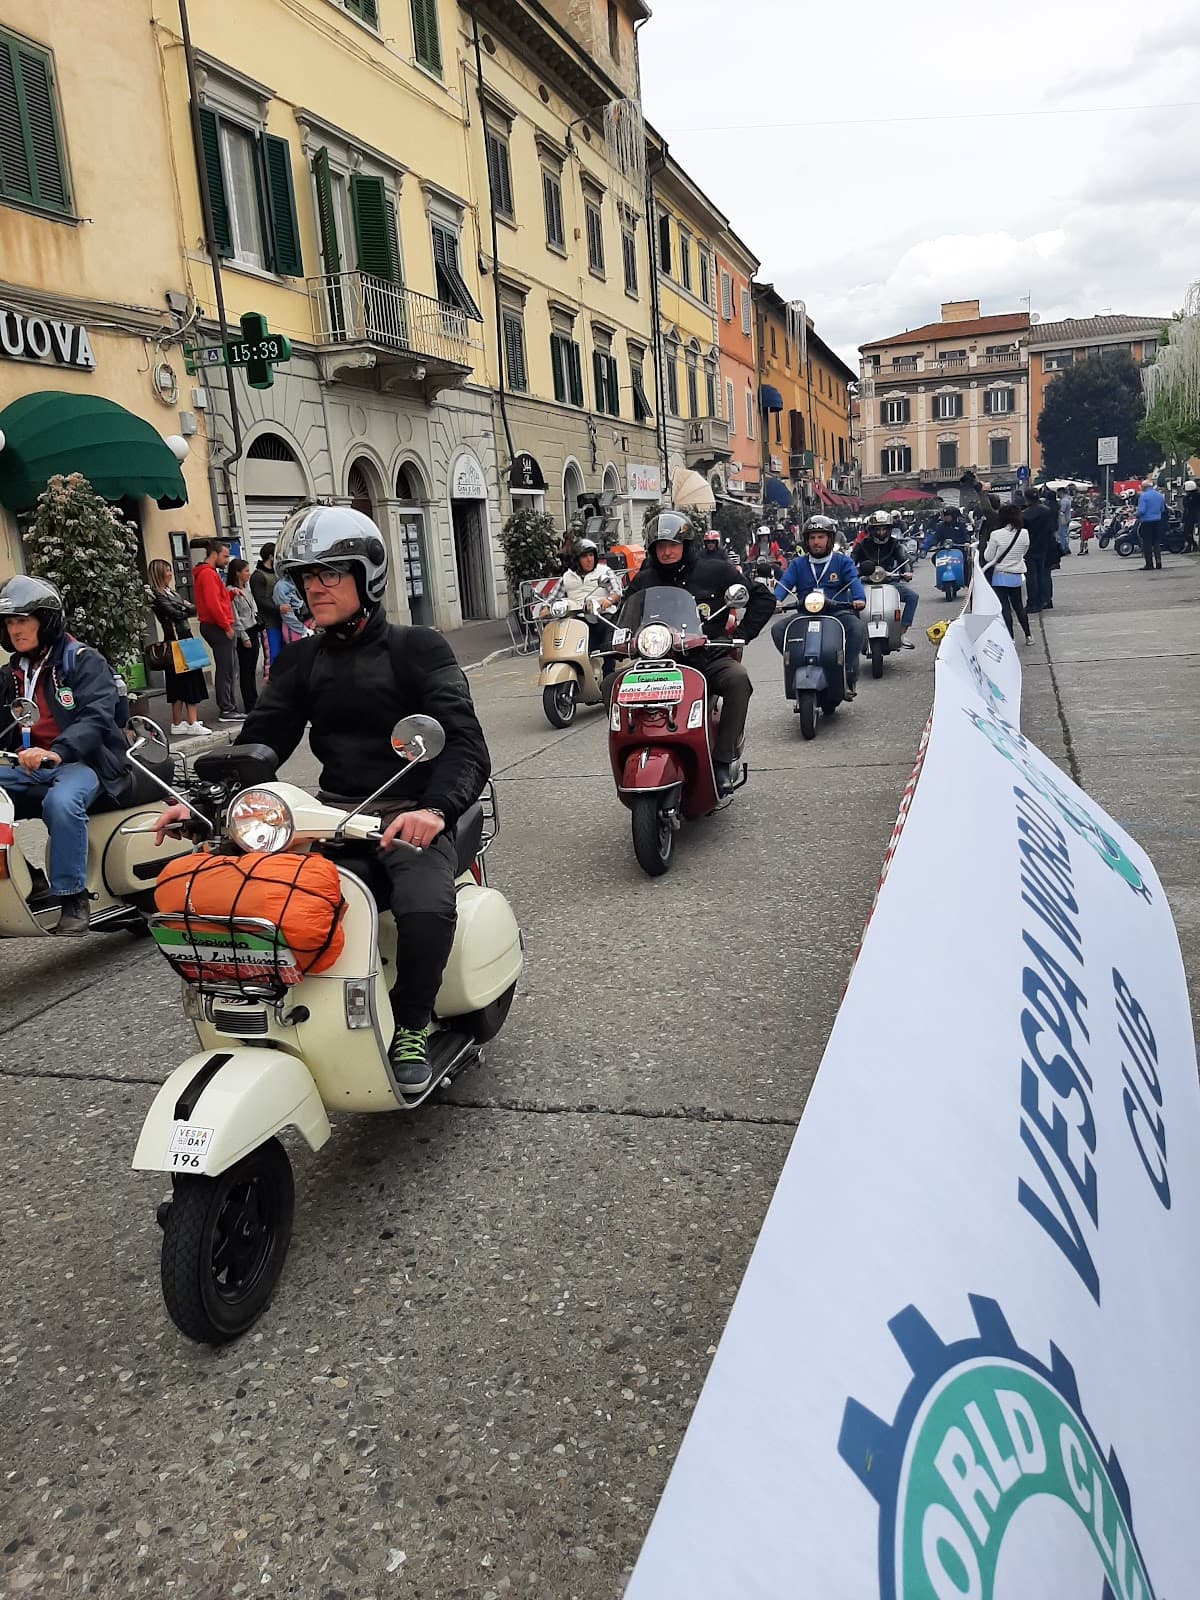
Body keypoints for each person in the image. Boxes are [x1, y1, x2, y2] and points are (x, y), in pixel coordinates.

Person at [154, 506, 490, 1092]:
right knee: (244, 889)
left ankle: (412, 1024)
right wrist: (207, 803)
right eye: (307, 576)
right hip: (334, 813)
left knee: (424, 900)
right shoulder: (301, 659)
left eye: (331, 574)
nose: (315, 587)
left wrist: (433, 810)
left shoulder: (419, 650)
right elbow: (262, 740)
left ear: (368, 577)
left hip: (407, 811)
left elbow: (464, 743)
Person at [0, 576, 131, 934]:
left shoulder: (82, 661)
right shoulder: (9, 674)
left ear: (46, 620)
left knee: (62, 803)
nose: (16, 629)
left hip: (81, 762)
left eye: (23, 620)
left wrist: (58, 750)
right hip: (26, 768)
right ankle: (30, 880)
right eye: (10, 622)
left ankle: (73, 896)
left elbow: (98, 718)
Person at [615, 510, 774, 792]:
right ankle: (630, 752)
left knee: (737, 680)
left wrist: (740, 635)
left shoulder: (715, 570)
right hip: (656, 663)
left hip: (705, 658)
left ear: (686, 546)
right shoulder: (644, 580)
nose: (666, 552)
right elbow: (624, 615)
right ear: (652, 550)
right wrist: (617, 640)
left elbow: (762, 598)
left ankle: (723, 759)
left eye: (673, 545)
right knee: (610, 686)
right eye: (660, 546)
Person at [770, 515, 867, 696]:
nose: (816, 542)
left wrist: (859, 599)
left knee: (857, 627)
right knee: (777, 629)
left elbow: (854, 582)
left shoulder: (842, 561)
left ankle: (848, 671)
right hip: (805, 613)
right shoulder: (798, 564)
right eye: (812, 538)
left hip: (836, 612)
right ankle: (796, 664)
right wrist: (776, 600)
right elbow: (785, 583)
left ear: (830, 539)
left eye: (821, 537)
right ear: (806, 541)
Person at [146, 558, 209, 738]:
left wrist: (184, 608)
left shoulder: (170, 593)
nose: (170, 574)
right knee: (188, 681)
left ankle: (178, 722)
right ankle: (192, 722)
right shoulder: (159, 596)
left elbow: (190, 608)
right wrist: (184, 607)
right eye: (167, 570)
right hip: (177, 640)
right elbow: (178, 613)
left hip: (183, 638)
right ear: (159, 574)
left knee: (179, 683)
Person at [542, 539, 622, 659]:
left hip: (601, 614)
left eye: (591, 555)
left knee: (607, 637)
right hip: (577, 618)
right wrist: (546, 608)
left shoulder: (604, 571)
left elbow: (617, 591)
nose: (589, 559)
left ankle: (608, 670)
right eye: (584, 556)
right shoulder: (567, 576)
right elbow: (553, 597)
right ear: (576, 559)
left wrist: (608, 600)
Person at [853, 513, 918, 646]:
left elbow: (903, 559)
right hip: (865, 581)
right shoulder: (862, 544)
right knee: (848, 600)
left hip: (889, 580)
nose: (881, 532)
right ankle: (853, 634)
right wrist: (852, 573)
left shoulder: (894, 543)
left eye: (884, 529)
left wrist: (907, 571)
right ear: (871, 530)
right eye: (877, 529)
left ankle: (901, 632)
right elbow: (851, 561)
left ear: (889, 529)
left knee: (912, 597)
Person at [193, 539, 240, 723]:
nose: (227, 560)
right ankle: (227, 709)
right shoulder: (208, 574)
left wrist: (230, 594)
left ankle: (230, 707)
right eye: (225, 556)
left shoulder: (208, 573)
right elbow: (213, 605)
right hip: (217, 626)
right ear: (214, 554)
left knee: (229, 667)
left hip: (215, 625)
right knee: (226, 669)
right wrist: (226, 626)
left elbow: (216, 600)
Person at [983, 505, 1031, 643]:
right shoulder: (1024, 533)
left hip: (1000, 576)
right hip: (1017, 574)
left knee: (1005, 608)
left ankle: (1011, 638)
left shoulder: (996, 535)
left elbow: (988, 557)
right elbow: (1024, 552)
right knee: (1019, 606)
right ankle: (1028, 635)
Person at [226, 558, 261, 715]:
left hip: (254, 628)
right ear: (237, 573)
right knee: (245, 671)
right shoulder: (231, 591)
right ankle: (249, 704)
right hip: (244, 632)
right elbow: (235, 617)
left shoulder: (247, 589)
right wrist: (244, 636)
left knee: (252, 669)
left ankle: (255, 699)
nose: (249, 574)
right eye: (246, 571)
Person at [1022, 491, 1057, 613]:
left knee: (1031, 576)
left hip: (1030, 547)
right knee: (1043, 574)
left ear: (1026, 499)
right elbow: (1053, 527)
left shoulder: (1025, 515)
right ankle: (1045, 599)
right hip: (1045, 546)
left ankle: (1033, 602)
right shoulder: (1047, 511)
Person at [250, 542, 284, 665]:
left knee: (285, 654)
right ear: (270, 556)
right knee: (273, 655)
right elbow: (260, 600)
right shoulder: (258, 576)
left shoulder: (277, 573)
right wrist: (278, 608)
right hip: (269, 623)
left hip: (283, 620)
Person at [1135, 479, 1167, 570]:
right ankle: (1158, 562)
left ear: (1144, 487)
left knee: (1147, 543)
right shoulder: (1159, 495)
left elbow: (1141, 510)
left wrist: (1136, 515)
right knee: (1156, 542)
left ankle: (1149, 564)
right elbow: (1162, 509)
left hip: (1146, 522)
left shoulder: (1143, 496)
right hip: (1157, 521)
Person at [273, 568, 311, 644]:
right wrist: (303, 630)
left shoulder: (303, 580)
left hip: (308, 622)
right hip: (294, 627)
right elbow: (287, 614)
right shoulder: (282, 587)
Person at [1181, 479, 1199, 552]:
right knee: (1186, 532)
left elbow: (1188, 504)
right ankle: (1191, 545)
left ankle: (1193, 545)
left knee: (1189, 532)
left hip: (1194, 516)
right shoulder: (1188, 496)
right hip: (1189, 516)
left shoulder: (1196, 496)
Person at [1057, 489, 1073, 556]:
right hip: (1067, 518)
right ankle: (1066, 548)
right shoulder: (1068, 499)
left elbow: (1062, 511)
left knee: (1062, 535)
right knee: (1064, 534)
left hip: (1063, 520)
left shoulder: (1064, 501)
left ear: (1061, 492)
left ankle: (1064, 549)